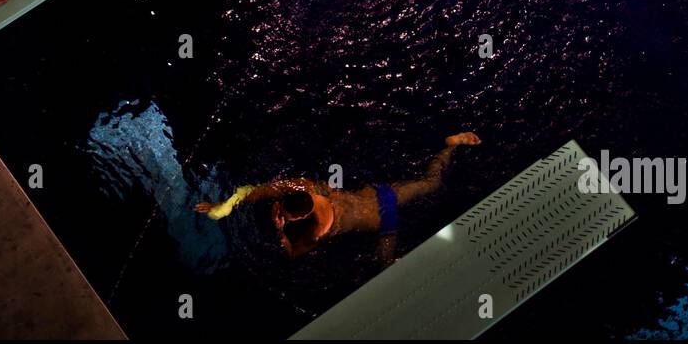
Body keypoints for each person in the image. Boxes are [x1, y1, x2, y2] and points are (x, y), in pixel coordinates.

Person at [195, 132, 481, 258]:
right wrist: (222, 206)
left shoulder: (318, 230)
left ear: (300, 216)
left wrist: (280, 231)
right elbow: (254, 192)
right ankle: (451, 146)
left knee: (385, 270)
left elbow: (293, 253)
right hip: (381, 194)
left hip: (384, 222)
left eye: (287, 215)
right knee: (430, 183)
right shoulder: (308, 186)